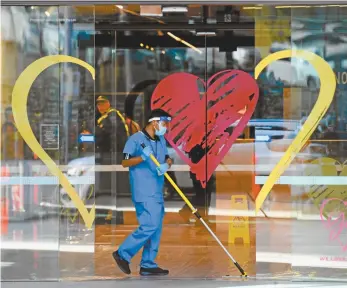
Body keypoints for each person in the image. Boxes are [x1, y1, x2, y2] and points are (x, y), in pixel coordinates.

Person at [113, 109, 172, 276]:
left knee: (156, 227)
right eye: (164, 123)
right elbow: (124, 162)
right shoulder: (135, 140)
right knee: (150, 225)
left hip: (157, 189)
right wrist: (142, 158)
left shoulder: (161, 139)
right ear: (154, 122)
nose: (165, 127)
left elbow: (167, 157)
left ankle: (147, 263)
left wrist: (167, 164)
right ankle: (122, 253)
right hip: (143, 190)